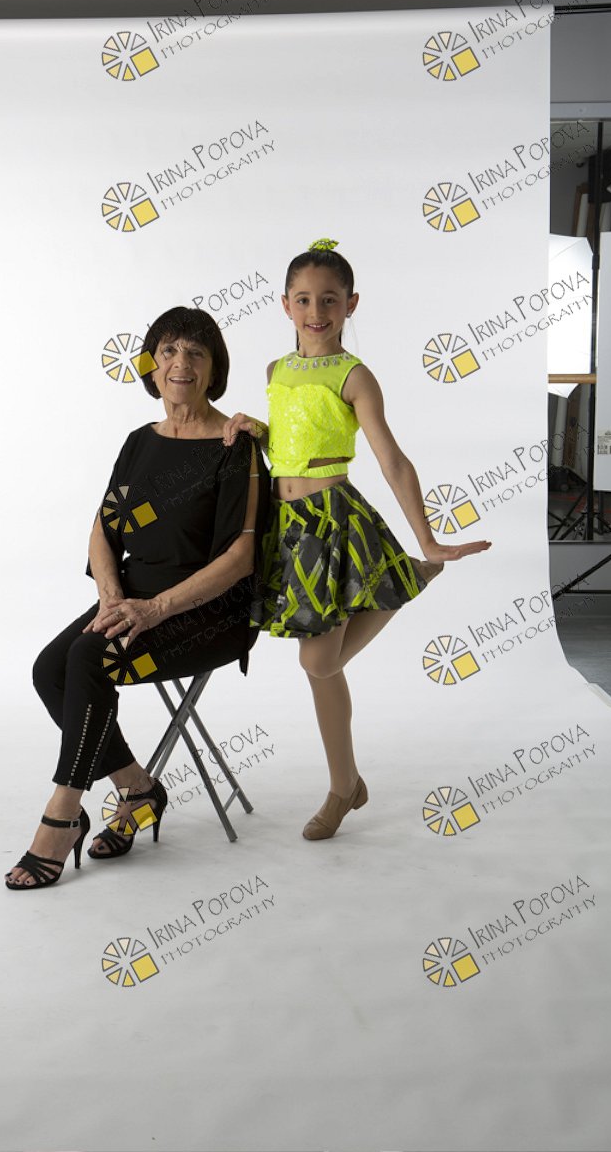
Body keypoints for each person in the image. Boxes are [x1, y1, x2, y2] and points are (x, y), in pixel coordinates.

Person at [224, 240, 490, 841]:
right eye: (303, 300)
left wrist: (429, 538)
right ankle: (346, 783)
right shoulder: (275, 371)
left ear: (351, 304)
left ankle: (343, 787)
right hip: (286, 526)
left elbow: (392, 459)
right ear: (285, 305)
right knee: (320, 667)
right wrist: (256, 430)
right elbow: (288, 443)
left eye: (329, 300)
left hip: (331, 522)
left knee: (316, 659)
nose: (316, 311)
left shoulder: (354, 375)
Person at [6, 307, 269, 890]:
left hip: (206, 613)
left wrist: (154, 610)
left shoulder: (235, 446)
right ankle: (138, 788)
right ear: (152, 366)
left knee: (89, 658)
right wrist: (111, 597)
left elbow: (241, 558)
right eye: (168, 351)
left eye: (196, 353)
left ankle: (63, 815)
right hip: (132, 601)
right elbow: (104, 528)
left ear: (215, 370)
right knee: (50, 669)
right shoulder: (138, 442)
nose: (180, 364)